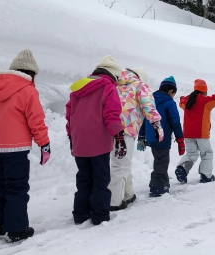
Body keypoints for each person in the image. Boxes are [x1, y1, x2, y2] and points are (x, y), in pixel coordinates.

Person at [0, 49, 50, 243]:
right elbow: (36, 120)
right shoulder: (28, 90)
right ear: (31, 73)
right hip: (16, 148)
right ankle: (17, 228)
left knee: (1, 183)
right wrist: (44, 143)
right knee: (17, 187)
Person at [66, 56, 125, 226]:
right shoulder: (108, 87)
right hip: (99, 142)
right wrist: (119, 136)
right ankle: (99, 214)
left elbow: (69, 114)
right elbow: (112, 114)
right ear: (113, 74)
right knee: (100, 178)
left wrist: (71, 135)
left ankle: (80, 214)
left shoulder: (78, 87)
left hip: (79, 141)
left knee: (83, 178)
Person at [108, 67, 163, 211]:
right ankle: (115, 201)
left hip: (109, 128)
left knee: (120, 163)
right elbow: (148, 105)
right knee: (120, 165)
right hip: (127, 128)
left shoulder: (115, 84)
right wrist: (157, 125)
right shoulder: (140, 86)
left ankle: (128, 193)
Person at [175, 78, 215, 184]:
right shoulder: (205, 101)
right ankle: (206, 175)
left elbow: (181, 101)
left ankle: (181, 169)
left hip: (187, 134)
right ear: (204, 91)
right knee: (206, 153)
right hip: (201, 134)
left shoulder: (187, 101)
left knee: (191, 154)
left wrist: (183, 97)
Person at [139, 76, 184, 197]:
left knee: (159, 160)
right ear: (170, 91)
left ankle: (161, 183)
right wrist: (180, 140)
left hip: (151, 138)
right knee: (162, 161)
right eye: (174, 93)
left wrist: (141, 136)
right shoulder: (169, 103)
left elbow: (145, 119)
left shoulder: (151, 101)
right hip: (162, 138)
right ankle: (157, 187)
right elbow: (175, 122)